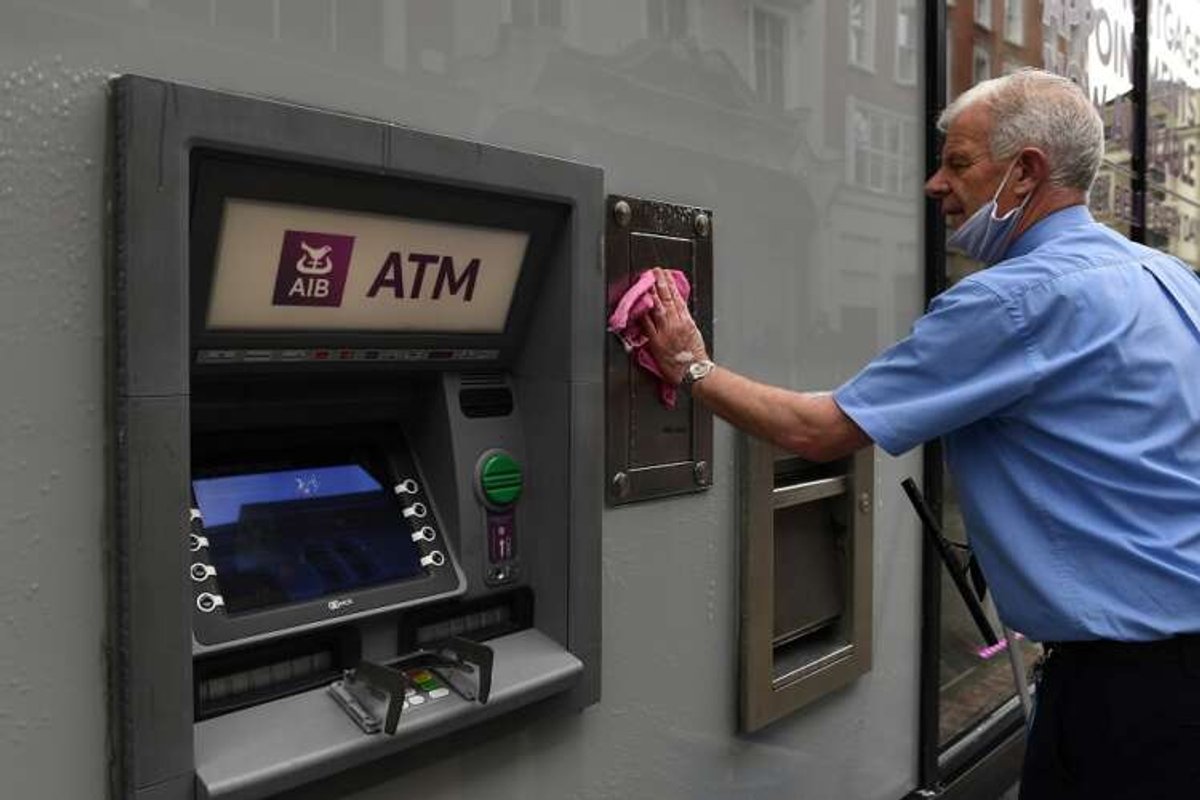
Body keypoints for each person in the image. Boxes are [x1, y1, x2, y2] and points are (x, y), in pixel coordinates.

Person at [638, 69, 1200, 800]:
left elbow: (820, 431)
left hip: (1129, 690)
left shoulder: (1012, 300)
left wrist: (689, 365)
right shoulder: (1171, 280)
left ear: (1026, 172)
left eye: (958, 163)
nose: (935, 184)